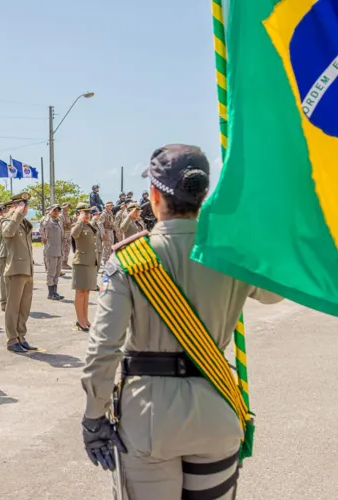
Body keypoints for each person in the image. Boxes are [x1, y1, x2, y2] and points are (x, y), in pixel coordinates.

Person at [80, 144, 283, 499]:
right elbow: (274, 292)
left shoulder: (131, 260)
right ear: (204, 196)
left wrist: (94, 416)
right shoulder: (231, 254)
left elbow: (103, 349)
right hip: (217, 409)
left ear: (154, 195)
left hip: (149, 419)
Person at [0, 193, 38, 353]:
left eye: (26, 205)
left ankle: (21, 336)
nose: (25, 208)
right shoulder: (7, 220)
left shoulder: (24, 222)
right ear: (14, 206)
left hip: (27, 269)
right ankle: (12, 339)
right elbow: (7, 233)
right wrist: (16, 213)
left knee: (24, 307)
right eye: (21, 205)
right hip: (15, 269)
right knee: (13, 307)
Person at [71, 203, 99, 331]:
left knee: (87, 292)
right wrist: (79, 221)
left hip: (90, 262)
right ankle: (79, 320)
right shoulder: (78, 225)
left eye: (88, 213)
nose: (87, 215)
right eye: (84, 213)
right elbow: (74, 234)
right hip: (81, 262)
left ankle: (85, 319)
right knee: (80, 292)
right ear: (78, 213)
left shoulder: (89, 225)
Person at [40, 205, 65, 300]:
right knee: (51, 272)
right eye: (54, 210)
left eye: (58, 210)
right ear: (50, 211)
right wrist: (48, 215)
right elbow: (42, 229)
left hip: (59, 250)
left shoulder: (58, 222)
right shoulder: (47, 221)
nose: (56, 212)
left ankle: (55, 292)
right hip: (51, 250)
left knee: (57, 273)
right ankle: (50, 293)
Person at [0, 201, 12, 311]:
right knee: (4, 279)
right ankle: (4, 302)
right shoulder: (2, 220)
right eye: (9, 208)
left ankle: (12, 302)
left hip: (13, 254)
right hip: (4, 253)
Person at [99, 201, 116, 266]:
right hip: (106, 231)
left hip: (111, 231)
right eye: (110, 206)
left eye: (111, 205)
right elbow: (100, 224)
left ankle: (109, 262)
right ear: (106, 206)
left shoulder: (111, 213)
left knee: (110, 247)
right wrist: (103, 234)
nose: (111, 207)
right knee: (106, 247)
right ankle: (105, 262)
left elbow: (112, 223)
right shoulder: (104, 214)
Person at [59, 202, 72, 270]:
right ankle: (62, 263)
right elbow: (60, 226)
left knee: (67, 249)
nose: (68, 208)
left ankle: (65, 262)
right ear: (63, 207)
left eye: (69, 207)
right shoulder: (61, 215)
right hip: (64, 234)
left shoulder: (67, 215)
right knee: (64, 249)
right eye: (67, 206)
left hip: (68, 234)